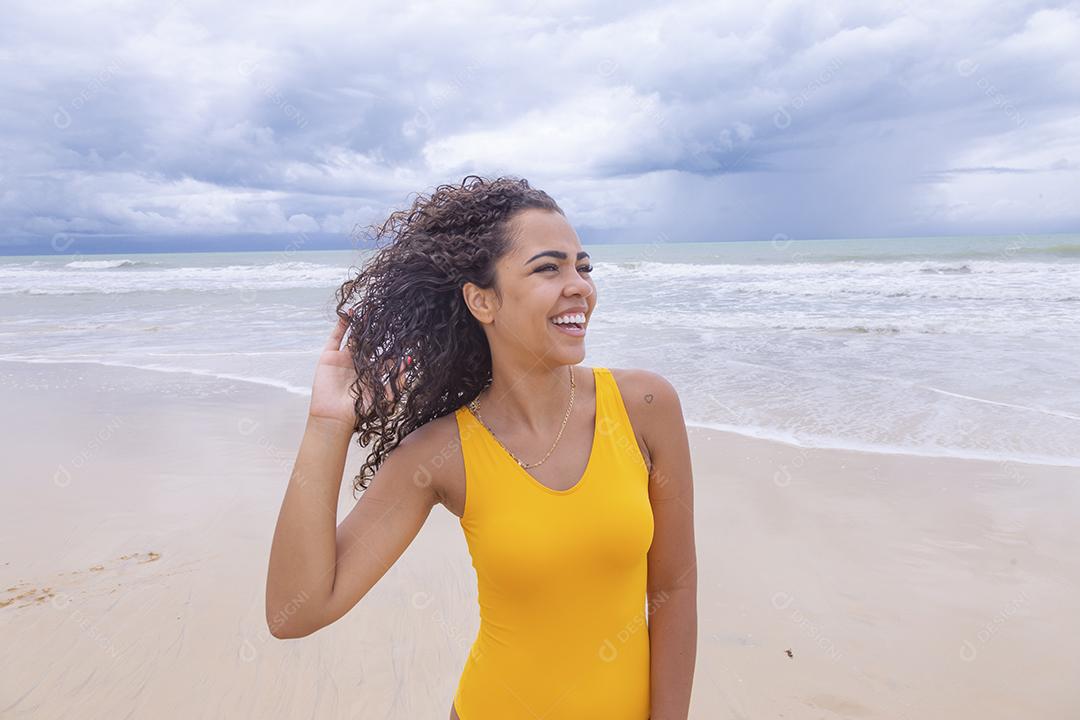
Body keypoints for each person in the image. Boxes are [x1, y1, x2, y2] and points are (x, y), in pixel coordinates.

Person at [265, 175, 697, 719]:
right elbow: (293, 612)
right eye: (549, 267)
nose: (580, 286)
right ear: (482, 301)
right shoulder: (442, 452)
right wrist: (328, 422)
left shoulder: (644, 405)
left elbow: (676, 589)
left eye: (583, 266)